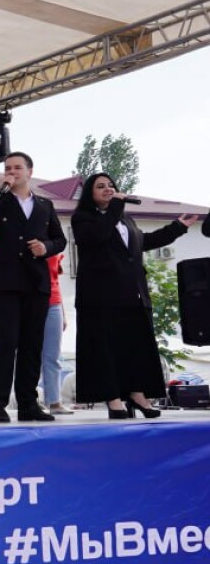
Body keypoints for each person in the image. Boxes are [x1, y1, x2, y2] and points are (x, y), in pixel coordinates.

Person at [71, 173, 196, 419]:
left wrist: (178, 227)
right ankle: (113, 398)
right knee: (106, 349)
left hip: (131, 293)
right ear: (90, 194)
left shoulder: (125, 219)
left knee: (135, 346)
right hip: (100, 297)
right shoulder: (83, 218)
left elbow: (143, 242)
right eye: (100, 186)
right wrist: (116, 207)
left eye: (111, 185)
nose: (108, 189)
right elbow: (98, 236)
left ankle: (137, 394)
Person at [0, 152, 65, 423]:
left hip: (36, 283)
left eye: (17, 168)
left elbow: (60, 240)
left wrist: (46, 247)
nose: (12, 172)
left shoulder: (45, 205)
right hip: (6, 282)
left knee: (32, 345)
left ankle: (28, 404)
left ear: (29, 172)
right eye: (8, 168)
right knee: (6, 343)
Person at [40, 253, 70, 414]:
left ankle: (54, 401)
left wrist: (63, 313)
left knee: (53, 355)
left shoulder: (55, 248)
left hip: (54, 302)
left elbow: (56, 279)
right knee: (30, 354)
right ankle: (30, 399)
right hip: (33, 300)